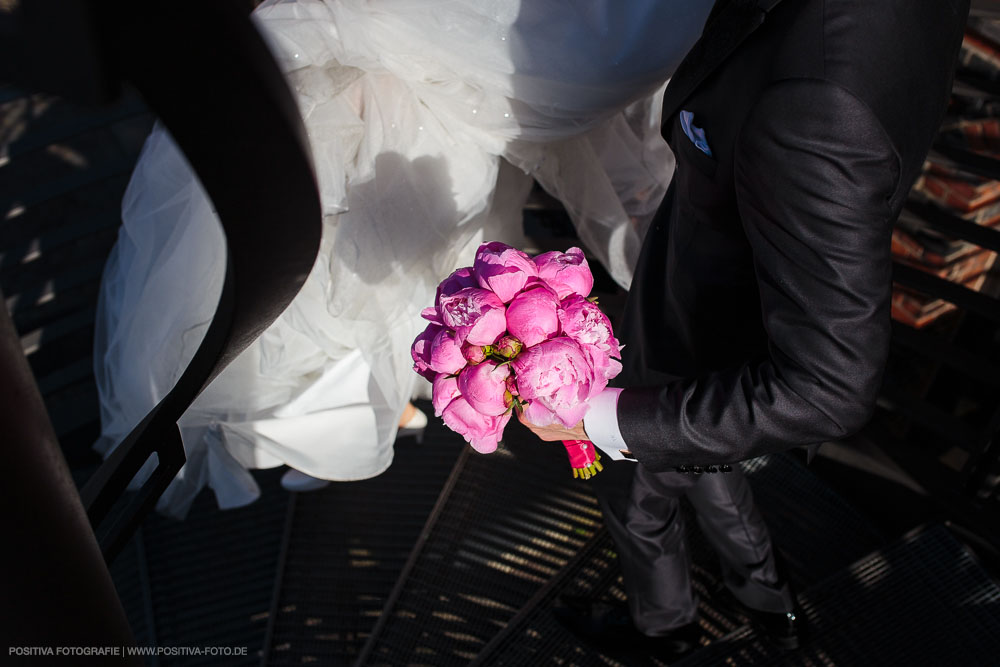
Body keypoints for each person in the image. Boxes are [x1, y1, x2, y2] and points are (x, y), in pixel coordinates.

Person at [93, 0, 719, 516]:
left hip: (433, 92)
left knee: (412, 263)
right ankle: (343, 416)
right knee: (349, 271)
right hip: (393, 84)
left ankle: (367, 407)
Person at [520, 0, 970, 660]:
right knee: (711, 469)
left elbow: (829, 388)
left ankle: (665, 629)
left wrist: (604, 417)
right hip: (727, 292)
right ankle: (768, 598)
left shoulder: (817, 117)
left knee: (638, 498)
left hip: (702, 335)